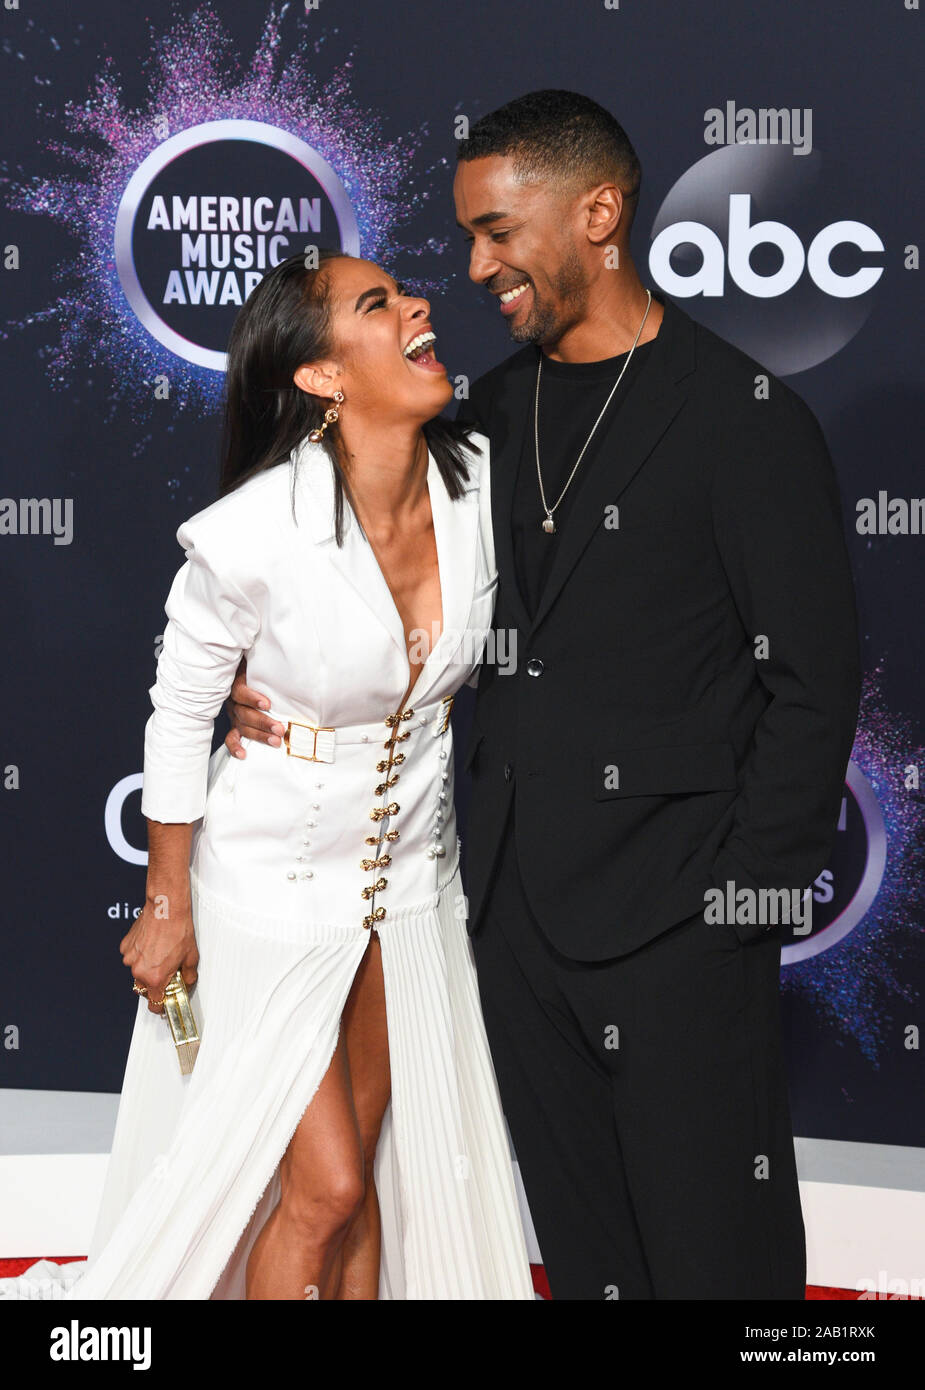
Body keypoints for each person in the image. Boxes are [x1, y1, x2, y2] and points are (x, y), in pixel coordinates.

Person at [227, 92, 861, 1299]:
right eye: (468, 236)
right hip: (515, 927)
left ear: (600, 214)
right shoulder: (482, 421)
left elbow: (813, 688)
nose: (475, 267)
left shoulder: (744, 420)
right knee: (589, 1261)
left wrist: (733, 913)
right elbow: (347, 577)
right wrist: (251, 689)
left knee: (717, 1265)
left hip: (682, 932)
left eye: (500, 231)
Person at [5, 248, 534, 1301]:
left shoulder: (478, 487)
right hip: (268, 891)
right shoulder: (251, 532)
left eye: (402, 292)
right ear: (322, 378)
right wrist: (167, 903)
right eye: (377, 304)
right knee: (326, 1184)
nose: (419, 304)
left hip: (408, 886)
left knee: (369, 1151)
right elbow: (177, 712)